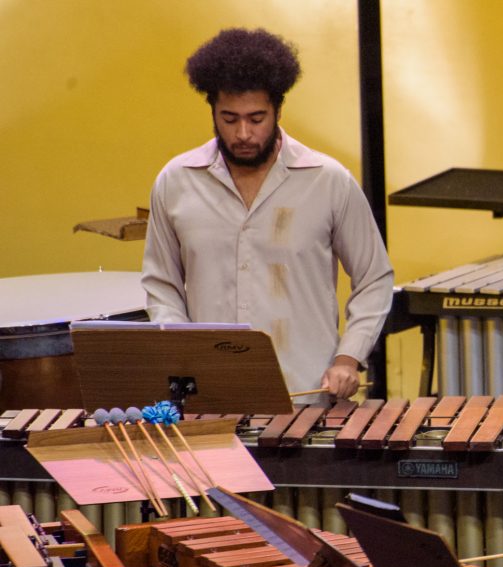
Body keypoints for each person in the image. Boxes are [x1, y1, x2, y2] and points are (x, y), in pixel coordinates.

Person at [142, 28, 393, 400]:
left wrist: (348, 357)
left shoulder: (328, 181)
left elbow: (374, 278)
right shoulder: (176, 182)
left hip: (305, 395)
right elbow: (162, 286)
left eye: (256, 118)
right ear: (212, 109)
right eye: (229, 119)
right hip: (210, 397)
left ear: (278, 110)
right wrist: (185, 357)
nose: (243, 133)